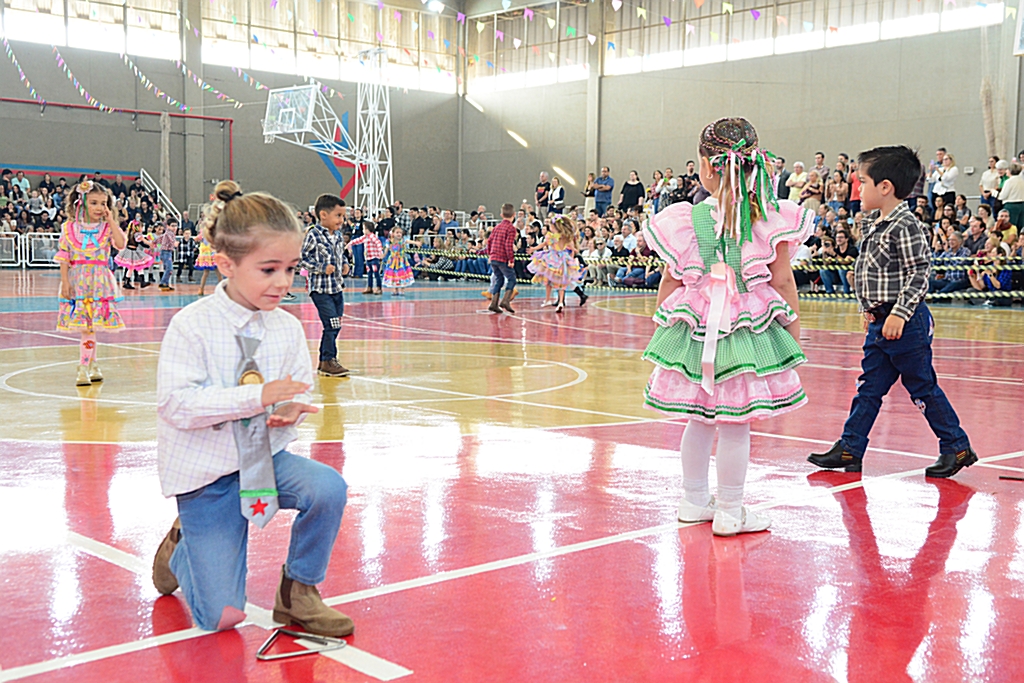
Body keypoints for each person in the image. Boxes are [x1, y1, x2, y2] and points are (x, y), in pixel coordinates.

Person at [151, 180, 352, 637]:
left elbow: (292, 393)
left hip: (264, 462)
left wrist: (289, 411)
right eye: (268, 270)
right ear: (226, 264)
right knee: (222, 618)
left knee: (327, 488)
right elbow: (177, 405)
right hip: (208, 476)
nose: (283, 282)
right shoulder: (191, 326)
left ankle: (298, 592)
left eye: (291, 269)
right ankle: (181, 546)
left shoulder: (285, 327)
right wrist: (256, 398)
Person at [642, 117, 811, 536]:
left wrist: (667, 323)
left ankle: (694, 500)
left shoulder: (686, 219)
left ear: (704, 167)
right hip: (747, 333)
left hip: (696, 331)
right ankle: (731, 511)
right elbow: (783, 279)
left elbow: (670, 279)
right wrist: (792, 325)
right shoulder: (769, 219)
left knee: (698, 419)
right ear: (756, 167)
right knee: (736, 422)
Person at [809, 146, 976, 478]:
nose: (859, 188)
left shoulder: (905, 224)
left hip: (904, 324)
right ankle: (850, 448)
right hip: (879, 324)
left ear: (885, 187)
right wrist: (869, 311)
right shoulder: (876, 222)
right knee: (869, 387)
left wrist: (899, 313)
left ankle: (956, 447)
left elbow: (918, 271)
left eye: (864, 181)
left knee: (922, 387)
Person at [55, 180, 128, 386]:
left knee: (91, 327)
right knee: (87, 327)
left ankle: (89, 365)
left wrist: (112, 220)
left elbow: (121, 244)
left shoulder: (106, 228)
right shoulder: (69, 228)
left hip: (99, 282)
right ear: (83, 203)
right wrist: (65, 282)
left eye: (103, 203)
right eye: (94, 203)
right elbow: (63, 256)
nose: (99, 208)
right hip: (78, 281)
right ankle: (84, 366)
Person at [301, 193, 350, 377]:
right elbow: (301, 259)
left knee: (336, 324)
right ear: (323, 215)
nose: (341, 220)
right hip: (321, 289)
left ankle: (325, 361)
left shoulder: (337, 236)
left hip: (337, 288)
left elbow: (341, 254)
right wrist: (321, 267)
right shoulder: (313, 235)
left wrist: (344, 263)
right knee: (332, 324)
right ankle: (329, 360)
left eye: (343, 216)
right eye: (338, 216)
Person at [528, 216, 583, 312]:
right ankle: (560, 302)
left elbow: (544, 244)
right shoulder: (566, 236)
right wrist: (572, 256)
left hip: (552, 258)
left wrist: (534, 249)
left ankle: (548, 299)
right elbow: (573, 249)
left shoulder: (551, 236)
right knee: (561, 282)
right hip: (563, 259)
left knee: (547, 279)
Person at [486, 203, 518, 314]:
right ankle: (506, 300)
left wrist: (490, 254)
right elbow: (508, 245)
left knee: (498, 279)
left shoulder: (496, 227)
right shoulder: (511, 229)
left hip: (494, 257)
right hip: (502, 258)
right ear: (514, 215)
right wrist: (511, 259)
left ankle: (494, 303)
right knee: (512, 278)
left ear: (501, 214)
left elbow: (489, 241)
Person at [114, 219, 155, 289]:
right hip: (132, 252)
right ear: (137, 227)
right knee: (132, 267)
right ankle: (128, 282)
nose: (142, 228)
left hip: (131, 251)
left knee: (136, 267)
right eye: (141, 227)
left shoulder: (130, 233)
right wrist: (149, 244)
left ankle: (140, 281)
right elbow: (142, 242)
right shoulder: (137, 234)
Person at [348, 220, 384, 294]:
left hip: (374, 258)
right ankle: (369, 287)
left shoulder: (372, 237)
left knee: (376, 273)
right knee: (369, 273)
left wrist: (380, 253)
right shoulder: (365, 237)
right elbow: (357, 240)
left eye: (364, 229)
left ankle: (379, 288)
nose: (363, 230)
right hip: (368, 259)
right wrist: (350, 244)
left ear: (367, 229)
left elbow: (378, 244)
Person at [382, 226, 418, 296]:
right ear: (393, 233)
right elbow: (386, 250)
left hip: (401, 260)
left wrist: (415, 243)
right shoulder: (389, 241)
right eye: (397, 232)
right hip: (392, 261)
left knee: (402, 274)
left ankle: (402, 289)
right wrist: (382, 256)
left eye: (400, 233)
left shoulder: (403, 240)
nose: (399, 234)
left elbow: (408, 241)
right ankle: (394, 289)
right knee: (394, 274)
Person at [194, 231, 221, 296]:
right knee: (215, 272)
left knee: (213, 272)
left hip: (210, 253)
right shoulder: (207, 232)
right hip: (208, 254)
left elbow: (196, 239)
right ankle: (201, 288)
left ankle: (201, 289)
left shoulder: (206, 232)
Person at [157, 219, 180, 291]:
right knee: (169, 269)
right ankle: (163, 282)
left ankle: (165, 284)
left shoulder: (168, 233)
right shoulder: (169, 233)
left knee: (168, 269)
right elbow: (172, 241)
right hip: (166, 252)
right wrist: (175, 243)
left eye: (176, 226)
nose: (174, 227)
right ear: (168, 226)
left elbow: (160, 238)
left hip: (167, 252)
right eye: (172, 226)